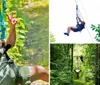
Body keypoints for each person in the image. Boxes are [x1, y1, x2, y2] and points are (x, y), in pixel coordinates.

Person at [0, 12, 49, 85]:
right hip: (4, 76)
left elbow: (9, 44)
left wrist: (12, 27)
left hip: (11, 71)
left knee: (42, 72)